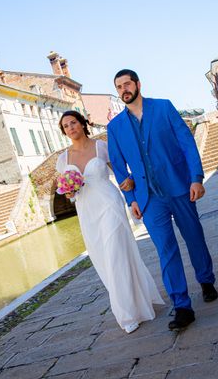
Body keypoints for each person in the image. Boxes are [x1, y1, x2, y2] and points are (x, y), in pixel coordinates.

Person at [108, 69, 217, 331]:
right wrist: (130, 198)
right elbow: (120, 168)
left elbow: (187, 143)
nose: (124, 89)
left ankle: (206, 279)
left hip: (179, 186)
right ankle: (181, 306)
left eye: (127, 84)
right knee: (166, 251)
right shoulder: (115, 127)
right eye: (119, 86)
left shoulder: (163, 108)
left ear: (138, 84)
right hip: (149, 198)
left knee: (194, 238)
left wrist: (196, 178)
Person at [56, 110, 164, 334]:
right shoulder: (62, 160)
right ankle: (133, 302)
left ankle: (127, 315)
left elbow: (123, 175)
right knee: (103, 260)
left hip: (109, 205)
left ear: (83, 123)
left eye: (73, 123)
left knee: (116, 254)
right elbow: (68, 195)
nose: (70, 128)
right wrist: (70, 190)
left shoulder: (101, 147)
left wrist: (134, 192)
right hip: (86, 212)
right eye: (65, 126)